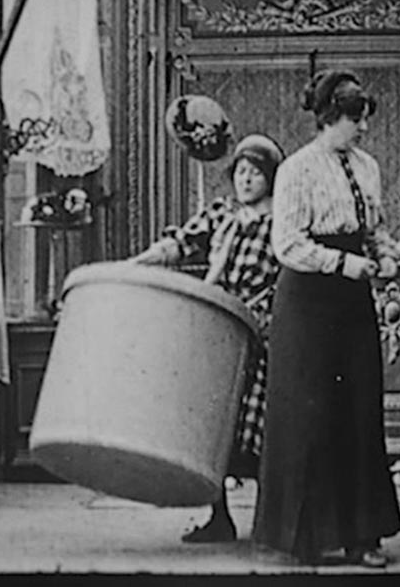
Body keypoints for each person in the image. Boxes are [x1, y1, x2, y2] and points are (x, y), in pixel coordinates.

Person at [252, 70, 400, 568]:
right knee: (309, 413)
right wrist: (343, 263)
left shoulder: (367, 166)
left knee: (359, 409)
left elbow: (374, 228)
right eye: (355, 119)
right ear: (329, 118)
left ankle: (363, 536)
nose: (363, 128)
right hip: (307, 300)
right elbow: (287, 244)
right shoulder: (296, 169)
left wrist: (385, 254)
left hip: (352, 300)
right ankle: (303, 538)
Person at [130, 133, 284, 542]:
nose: (246, 180)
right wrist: (140, 262)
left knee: (257, 428)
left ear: (271, 178)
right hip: (216, 329)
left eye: (256, 173)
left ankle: (271, 520)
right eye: (241, 172)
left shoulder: (281, 221)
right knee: (211, 425)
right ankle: (219, 516)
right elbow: (182, 242)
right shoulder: (223, 214)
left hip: (259, 334)